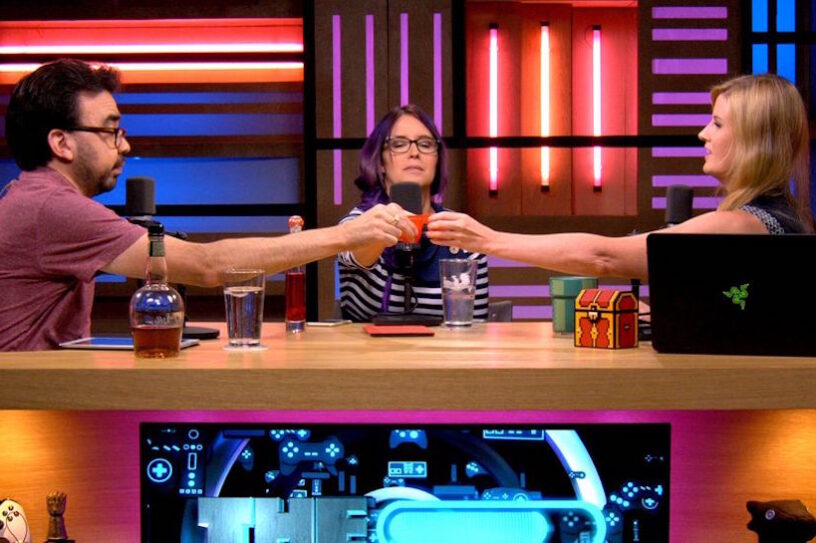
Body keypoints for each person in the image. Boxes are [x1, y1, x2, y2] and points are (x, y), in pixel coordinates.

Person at [0, 59, 416, 351]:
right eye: (111, 132)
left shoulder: (35, 198)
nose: (124, 146)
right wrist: (346, 235)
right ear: (61, 143)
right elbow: (208, 266)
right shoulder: (52, 207)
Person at [427, 73, 814, 280]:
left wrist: (487, 239)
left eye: (717, 123)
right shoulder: (778, 218)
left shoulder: (741, 225)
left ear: (752, 140)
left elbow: (603, 257)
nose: (703, 134)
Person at [337, 105, 489, 321]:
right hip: (366, 344)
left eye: (425, 144)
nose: (414, 152)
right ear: (380, 162)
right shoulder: (357, 222)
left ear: (437, 160)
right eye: (399, 144)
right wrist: (390, 228)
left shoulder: (460, 230)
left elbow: (476, 326)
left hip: (448, 344)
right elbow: (357, 252)